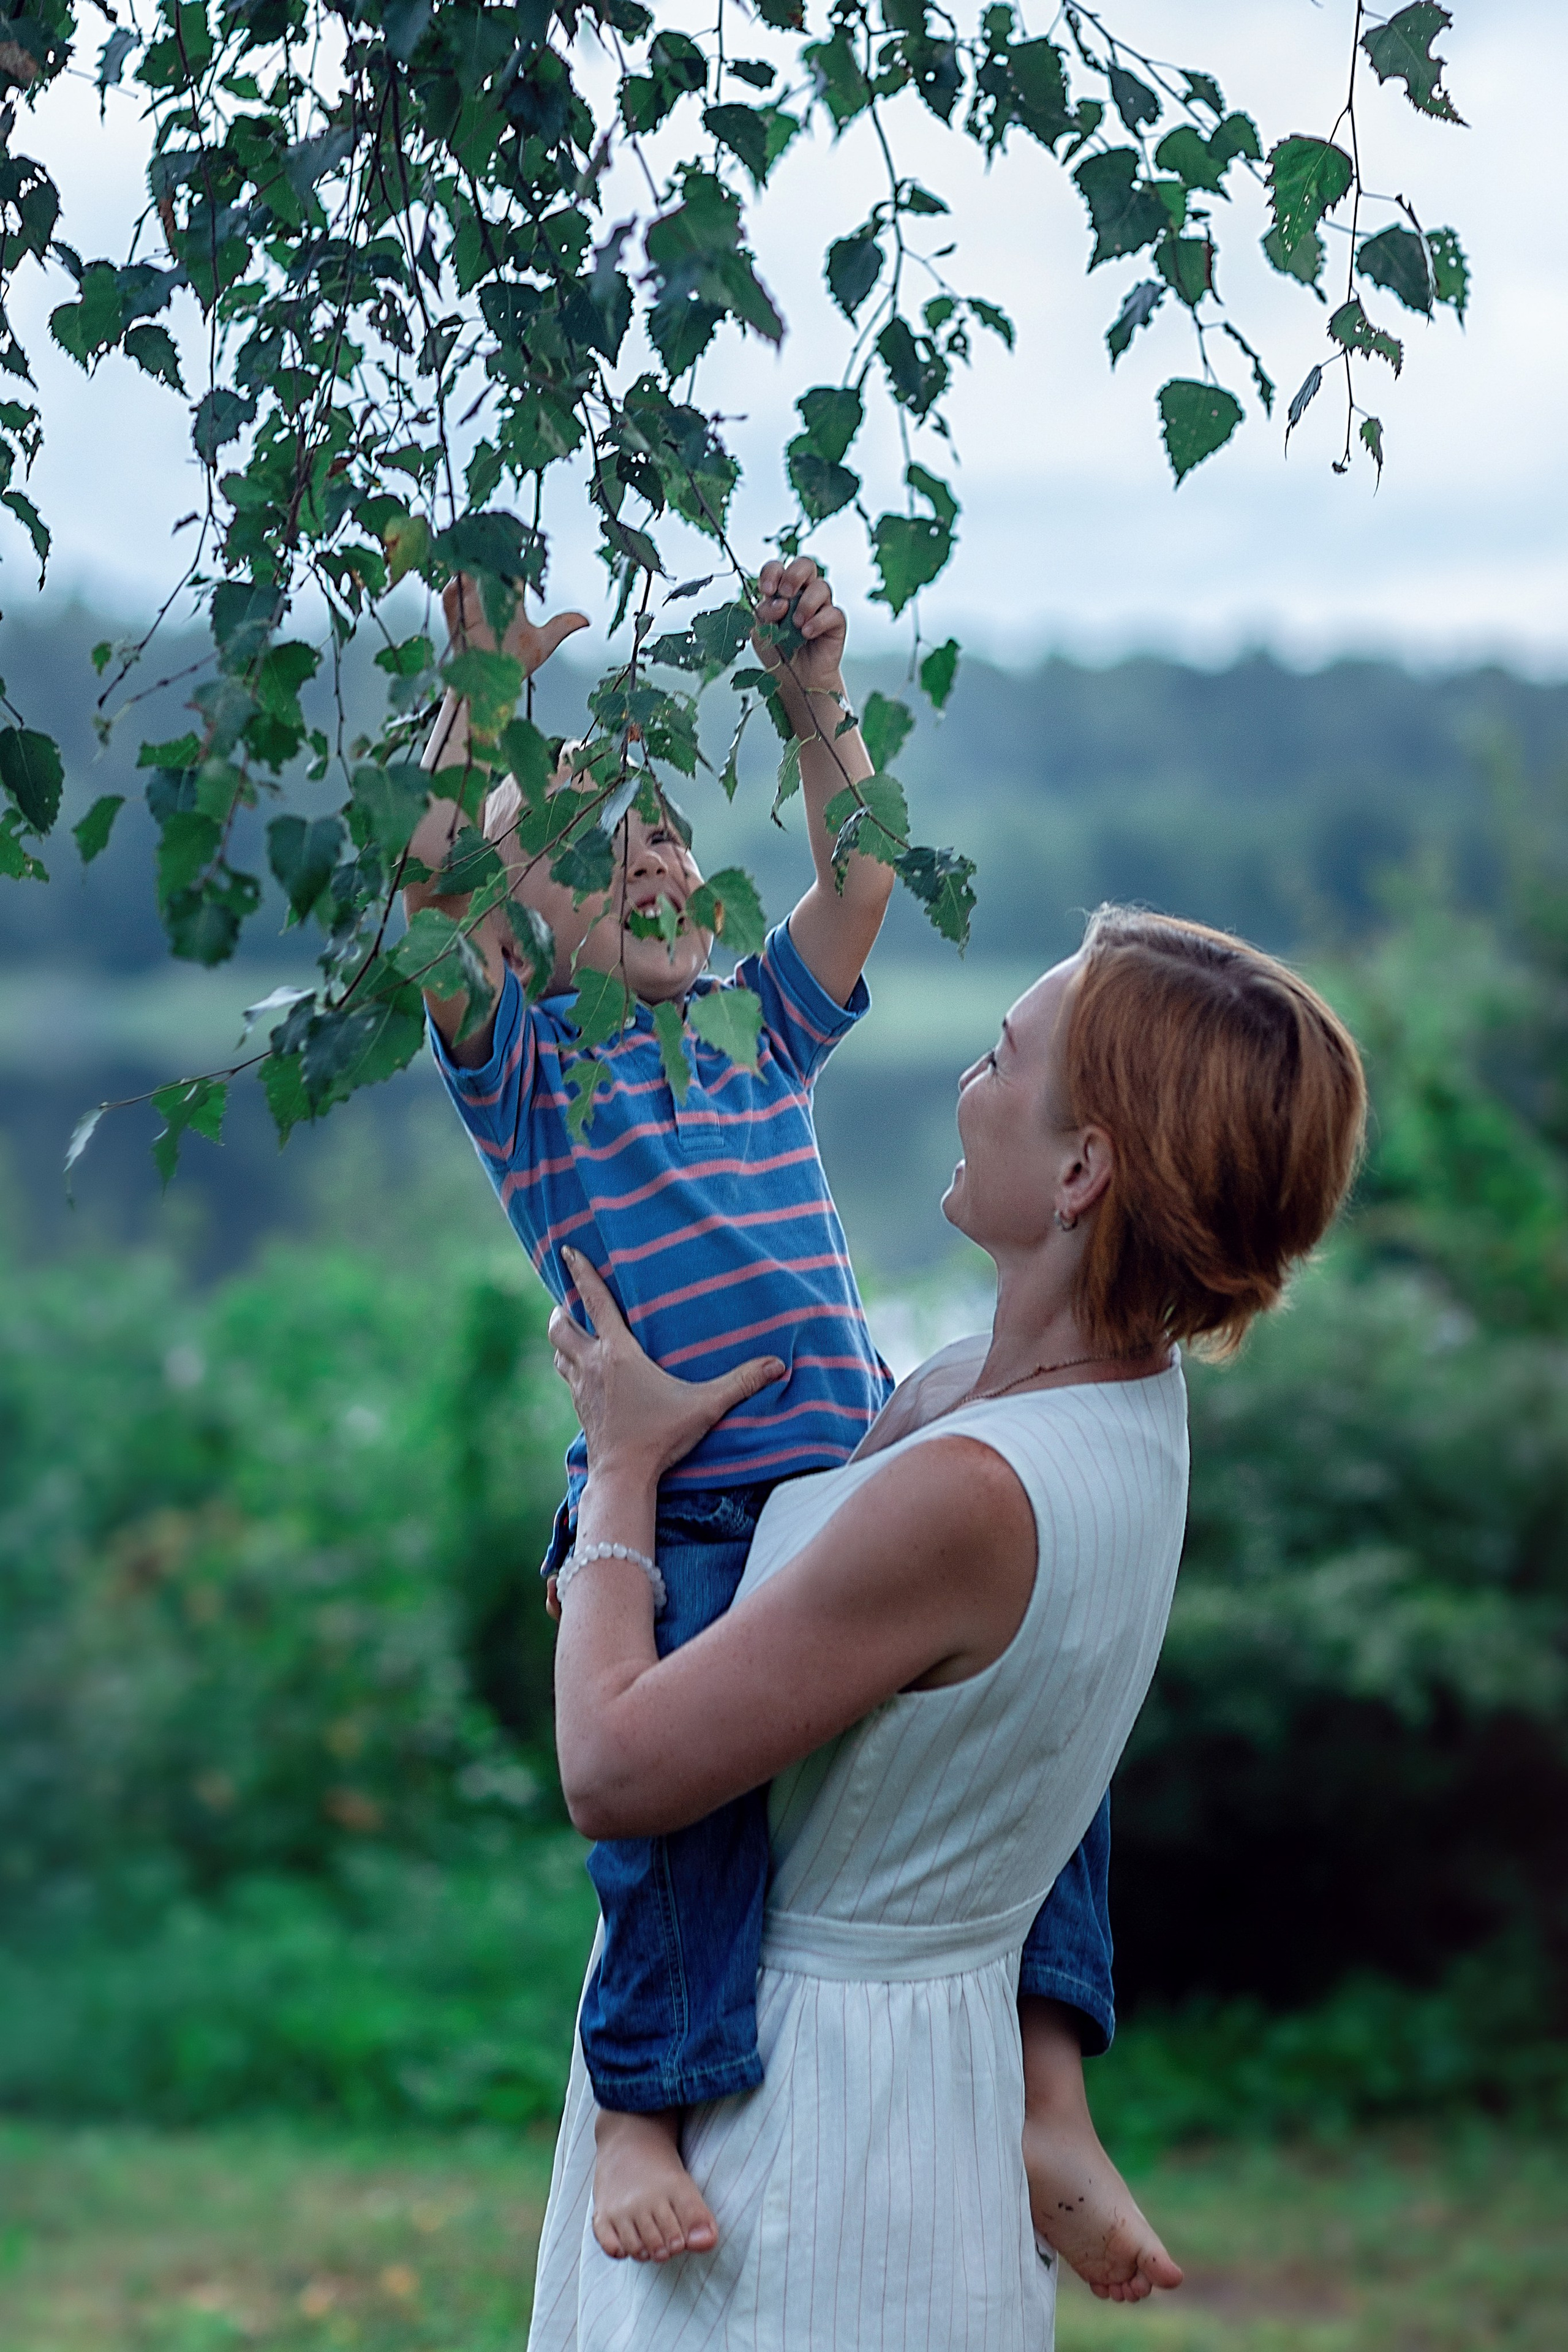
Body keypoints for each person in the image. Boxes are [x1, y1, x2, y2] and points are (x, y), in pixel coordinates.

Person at [405, 564, 1152, 2294]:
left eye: (667, 839)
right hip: (682, 1518)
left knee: (1036, 1735)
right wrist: (479, 696)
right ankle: (644, 2107)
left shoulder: (751, 1029)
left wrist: (815, 693)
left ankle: (1051, 2088)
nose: (655, 866)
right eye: (597, 856)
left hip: (845, 1481)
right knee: (683, 1833)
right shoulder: (533, 1077)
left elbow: (858, 872)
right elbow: (429, 902)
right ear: (524, 932)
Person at [528, 906, 1366, 2349]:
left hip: (796, 2140)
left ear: (1081, 1170)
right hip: (938, 2087)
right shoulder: (1096, 1407)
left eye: (996, 1059)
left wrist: (616, 1474)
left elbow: (613, 1769)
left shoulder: (971, 1492)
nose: (964, 1088)